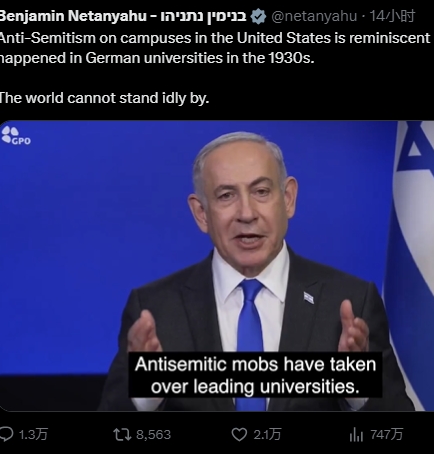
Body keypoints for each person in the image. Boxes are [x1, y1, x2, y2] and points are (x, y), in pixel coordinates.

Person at [98, 131, 414, 411]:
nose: (247, 213)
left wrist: (358, 392)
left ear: (288, 199)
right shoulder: (154, 310)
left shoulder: (351, 302)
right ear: (201, 213)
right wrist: (145, 398)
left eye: (261, 191)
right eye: (226, 196)